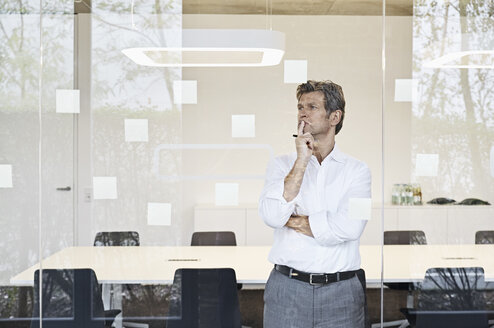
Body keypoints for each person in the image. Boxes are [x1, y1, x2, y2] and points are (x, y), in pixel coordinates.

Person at [259, 80, 371, 328]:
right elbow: (271, 216)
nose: (302, 112)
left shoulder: (358, 171)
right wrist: (301, 161)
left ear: (334, 116)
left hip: (341, 292)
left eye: (312, 106)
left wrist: (295, 221)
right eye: (300, 106)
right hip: (287, 289)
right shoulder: (281, 165)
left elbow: (351, 228)